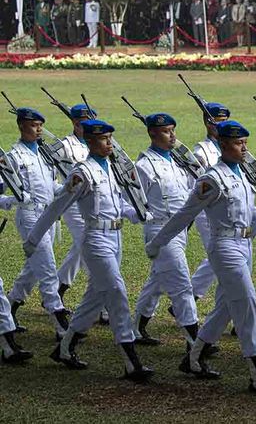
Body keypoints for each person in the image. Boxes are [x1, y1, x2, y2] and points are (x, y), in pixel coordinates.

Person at [144, 120, 256, 395]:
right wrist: (158, 242)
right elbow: (185, 214)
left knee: (225, 306)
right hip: (224, 247)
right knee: (247, 302)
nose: (244, 148)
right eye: (238, 143)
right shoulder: (211, 179)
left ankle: (194, 358)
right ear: (223, 145)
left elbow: (249, 212)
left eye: (246, 142)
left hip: (245, 245)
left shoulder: (243, 173)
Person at [25, 119, 153, 382]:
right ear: (90, 141)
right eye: (104, 139)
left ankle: (65, 346)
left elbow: (117, 203)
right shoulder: (82, 173)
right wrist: (34, 239)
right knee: (117, 292)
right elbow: (57, 207)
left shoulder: (111, 168)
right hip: (95, 240)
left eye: (110, 138)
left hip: (116, 238)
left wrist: (136, 214)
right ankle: (131, 361)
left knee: (95, 297)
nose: (110, 143)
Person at [131, 113, 200, 352]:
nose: (173, 136)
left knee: (158, 281)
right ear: (152, 133)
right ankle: (196, 343)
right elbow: (133, 202)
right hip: (160, 230)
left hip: (180, 230)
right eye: (166, 131)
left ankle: (137, 328)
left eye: (173, 130)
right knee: (182, 286)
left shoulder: (177, 162)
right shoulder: (143, 166)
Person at [4, 107, 70, 339]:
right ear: (22, 126)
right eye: (34, 125)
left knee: (33, 268)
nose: (39, 129)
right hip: (30, 217)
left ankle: (9, 309)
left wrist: (70, 189)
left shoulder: (44, 153)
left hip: (49, 217)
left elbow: (51, 186)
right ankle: (61, 324)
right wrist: (10, 200)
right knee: (48, 269)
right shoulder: (13, 156)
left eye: (41, 125)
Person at [55, 105, 97, 309]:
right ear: (73, 122)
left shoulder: (98, 142)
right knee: (89, 246)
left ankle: (57, 288)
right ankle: (102, 302)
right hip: (73, 203)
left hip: (94, 202)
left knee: (81, 247)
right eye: (80, 123)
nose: (84, 127)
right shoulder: (65, 145)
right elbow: (53, 175)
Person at [190, 102, 231, 302]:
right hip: (207, 211)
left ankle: (191, 295)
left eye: (226, 121)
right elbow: (198, 186)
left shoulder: (229, 145)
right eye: (219, 122)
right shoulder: (201, 152)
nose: (223, 126)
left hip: (227, 209)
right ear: (208, 123)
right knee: (222, 257)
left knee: (219, 258)